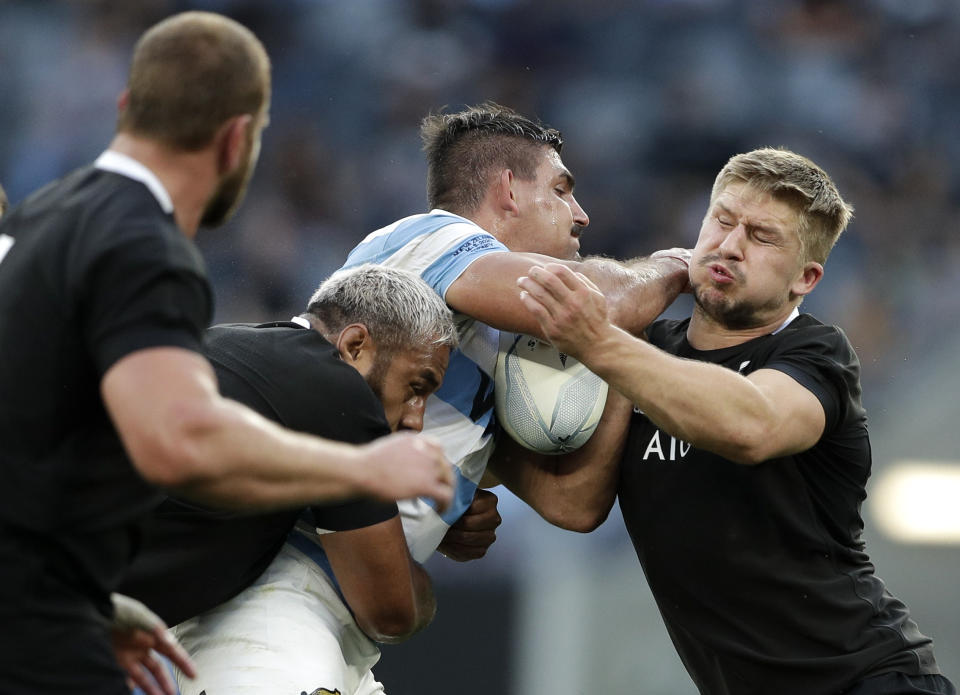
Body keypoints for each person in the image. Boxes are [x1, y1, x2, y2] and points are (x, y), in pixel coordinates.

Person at [0, 12, 452, 695]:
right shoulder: (144, 248)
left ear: (128, 107)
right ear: (240, 136)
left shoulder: (42, 218)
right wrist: (358, 463)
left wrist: (92, 600)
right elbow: (179, 436)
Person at [172, 102, 691, 693]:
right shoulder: (427, 239)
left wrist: (623, 350)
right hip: (280, 592)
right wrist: (673, 267)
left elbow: (570, 503)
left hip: (348, 630)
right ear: (508, 191)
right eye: (562, 189)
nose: (581, 214)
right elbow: (595, 301)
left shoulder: (497, 354)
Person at [506, 147, 956, 695]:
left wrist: (599, 341)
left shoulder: (814, 354)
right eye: (721, 220)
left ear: (805, 278)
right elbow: (572, 504)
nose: (731, 245)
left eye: (763, 237)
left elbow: (752, 426)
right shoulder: (641, 352)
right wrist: (470, 461)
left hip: (866, 681)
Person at [119, 264, 457, 694]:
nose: (416, 418)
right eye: (416, 386)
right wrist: (422, 587)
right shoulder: (338, 392)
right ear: (355, 346)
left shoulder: (224, 343)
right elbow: (390, 611)